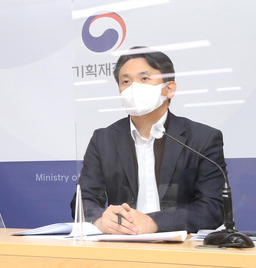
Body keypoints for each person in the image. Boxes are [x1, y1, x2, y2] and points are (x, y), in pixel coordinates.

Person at [71, 46, 225, 234]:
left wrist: (154, 222)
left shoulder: (202, 139)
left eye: (144, 79)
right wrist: (101, 220)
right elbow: (83, 200)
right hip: (120, 247)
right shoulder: (103, 140)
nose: (133, 88)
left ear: (169, 89)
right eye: (125, 81)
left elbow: (212, 208)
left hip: (181, 250)